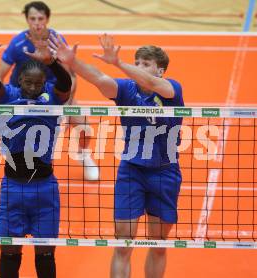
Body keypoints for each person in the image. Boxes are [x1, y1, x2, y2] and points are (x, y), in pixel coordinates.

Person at [49, 34, 184, 278]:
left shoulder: (171, 89)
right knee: (123, 244)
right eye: (138, 62)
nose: (139, 67)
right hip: (131, 171)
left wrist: (119, 63)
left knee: (158, 245)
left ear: (160, 70)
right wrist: (73, 62)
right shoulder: (126, 89)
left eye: (145, 64)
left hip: (165, 171)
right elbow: (99, 78)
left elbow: (153, 85)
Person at [0, 29, 71, 278]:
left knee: (45, 255)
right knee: (9, 253)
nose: (33, 87)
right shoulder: (8, 97)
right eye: (28, 82)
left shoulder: (52, 99)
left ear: (45, 83)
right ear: (19, 82)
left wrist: (52, 62)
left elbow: (65, 85)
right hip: (13, 188)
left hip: (45, 188)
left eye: (38, 83)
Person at [0, 1, 99, 185]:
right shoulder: (18, 43)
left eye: (41, 18)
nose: (37, 23)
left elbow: (70, 77)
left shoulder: (56, 42)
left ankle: (83, 155)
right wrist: (1, 102)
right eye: (32, 18)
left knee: (84, 127)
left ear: (47, 19)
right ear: (27, 20)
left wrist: (66, 106)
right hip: (17, 94)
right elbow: (0, 75)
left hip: (52, 94)